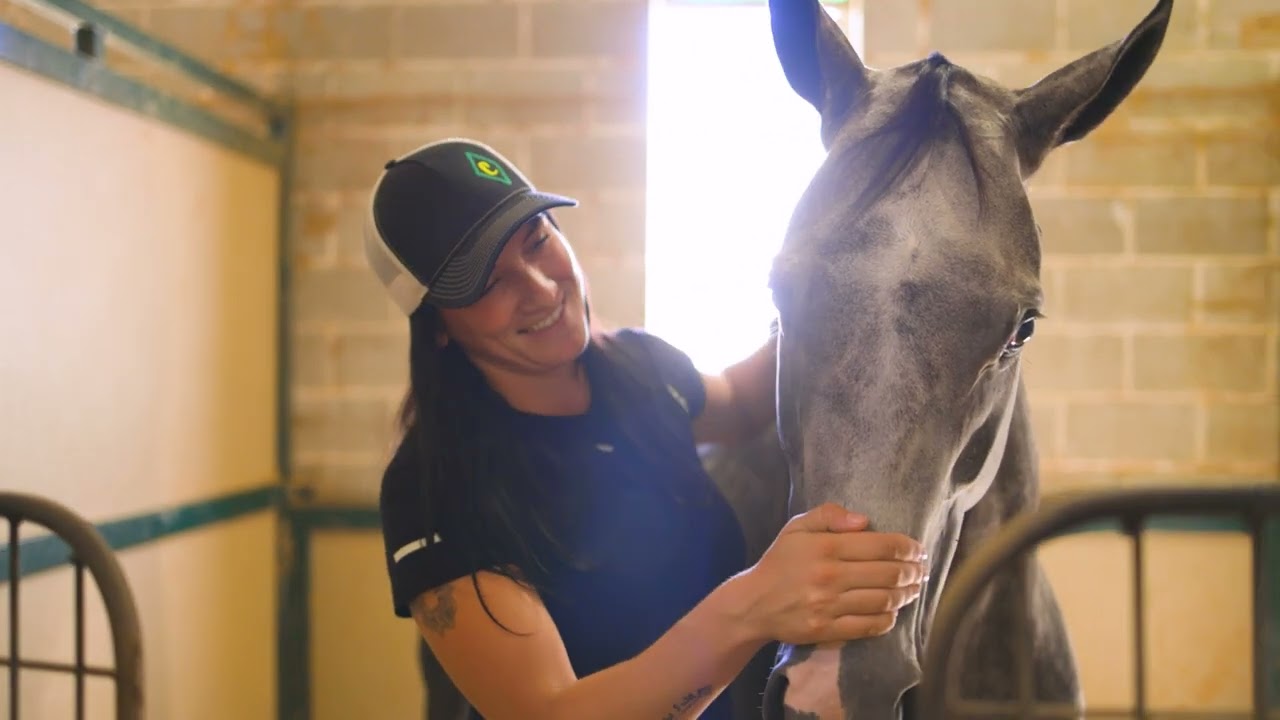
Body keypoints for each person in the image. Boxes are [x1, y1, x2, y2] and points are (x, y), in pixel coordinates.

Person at [364, 137, 927, 720]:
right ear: (437, 328)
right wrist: (753, 605)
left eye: (537, 240)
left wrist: (826, 293)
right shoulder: (434, 488)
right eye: (490, 283)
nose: (541, 288)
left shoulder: (640, 368)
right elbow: (550, 712)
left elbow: (739, 402)